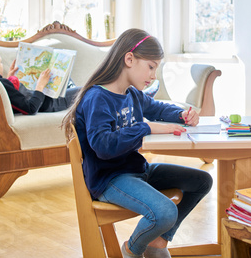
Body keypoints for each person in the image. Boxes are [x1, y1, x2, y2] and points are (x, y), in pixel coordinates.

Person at [63, 29, 213, 258]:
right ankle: (132, 251)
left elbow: (158, 108)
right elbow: (103, 146)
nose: (154, 76)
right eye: (151, 67)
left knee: (202, 181)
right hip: (110, 179)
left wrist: (182, 114)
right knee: (165, 212)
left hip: (136, 170)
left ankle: (158, 241)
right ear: (129, 59)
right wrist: (147, 127)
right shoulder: (97, 98)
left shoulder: (131, 94)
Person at [0, 45, 80, 115]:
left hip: (39, 97)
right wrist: (40, 86)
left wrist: (8, 79)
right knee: (87, 90)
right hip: (48, 103)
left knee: (66, 81)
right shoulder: (1, 85)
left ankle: (69, 87)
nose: (2, 65)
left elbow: (7, 96)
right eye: (0, 62)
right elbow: (31, 108)